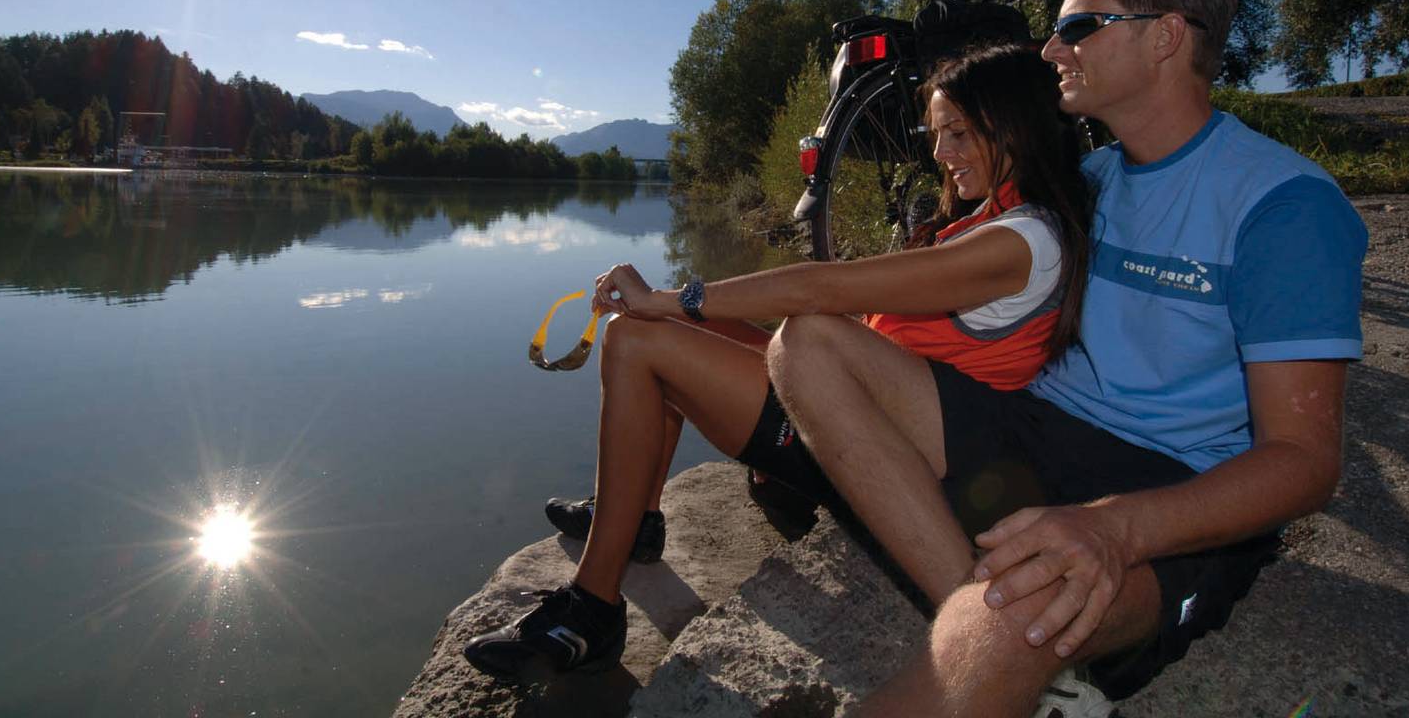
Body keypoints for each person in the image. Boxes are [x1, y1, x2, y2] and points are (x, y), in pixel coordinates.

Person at [767, 0, 1368, 716]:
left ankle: (1010, 633)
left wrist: (1118, 530)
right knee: (806, 343)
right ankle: (994, 613)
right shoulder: (1089, 177)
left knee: (1003, 631)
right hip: (1039, 428)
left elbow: (1303, 461)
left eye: (1080, 26)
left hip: (1175, 492)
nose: (1051, 47)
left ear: (1165, 37)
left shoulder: (1284, 207)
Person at [461, 41, 1095, 684]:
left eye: (958, 132)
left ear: (1013, 123)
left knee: (636, 337)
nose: (940, 153)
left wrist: (668, 296)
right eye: (935, 134)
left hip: (878, 447)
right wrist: (674, 304)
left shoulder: (1023, 240)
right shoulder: (1002, 221)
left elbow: (821, 291)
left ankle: (592, 607)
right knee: (661, 322)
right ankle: (636, 517)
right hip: (872, 408)